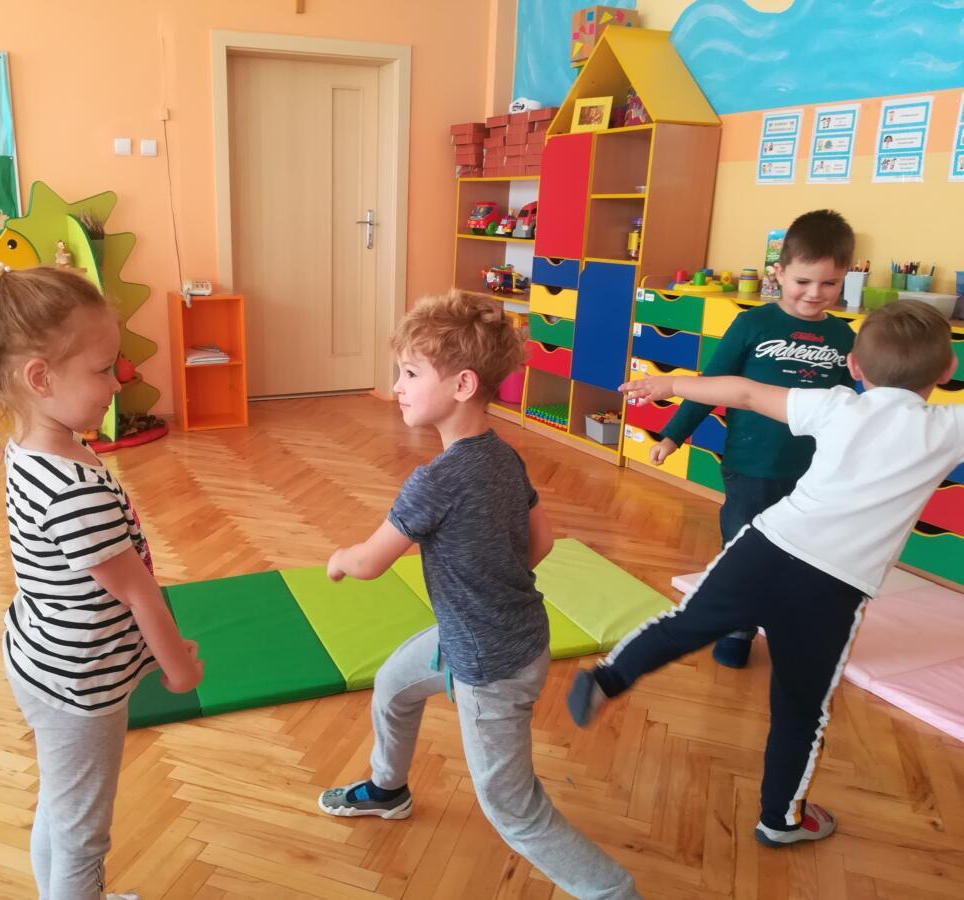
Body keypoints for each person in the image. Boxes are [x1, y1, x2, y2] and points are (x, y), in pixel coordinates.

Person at [570, 300, 962, 848]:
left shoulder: (837, 405)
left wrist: (671, 385)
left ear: (853, 365)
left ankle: (607, 678)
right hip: (833, 589)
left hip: (767, 546)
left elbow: (746, 392)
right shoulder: (950, 427)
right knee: (801, 709)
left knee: (683, 624)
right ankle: (779, 820)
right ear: (947, 371)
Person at [317, 291, 640, 899]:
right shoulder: (504, 455)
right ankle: (387, 789)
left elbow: (370, 563)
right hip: (496, 635)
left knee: (513, 809)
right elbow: (543, 540)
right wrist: (489, 581)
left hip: (491, 668)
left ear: (463, 384)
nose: (398, 385)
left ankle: (613, 893)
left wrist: (339, 560)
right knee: (393, 686)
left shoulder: (434, 481)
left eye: (410, 373)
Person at [0, 263, 203, 900]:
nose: (119, 380)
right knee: (83, 834)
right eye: (103, 369)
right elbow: (135, 589)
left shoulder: (33, 446)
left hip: (41, 656)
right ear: (40, 378)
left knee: (61, 807)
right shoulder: (72, 487)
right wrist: (177, 667)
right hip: (79, 685)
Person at [654, 209, 857, 668]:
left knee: (802, 553)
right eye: (803, 281)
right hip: (752, 466)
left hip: (813, 472)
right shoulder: (752, 325)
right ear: (779, 273)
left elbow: (852, 406)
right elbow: (711, 384)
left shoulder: (844, 337)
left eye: (829, 283)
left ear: (844, 277)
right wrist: (673, 436)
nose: (814, 293)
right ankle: (738, 626)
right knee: (744, 549)